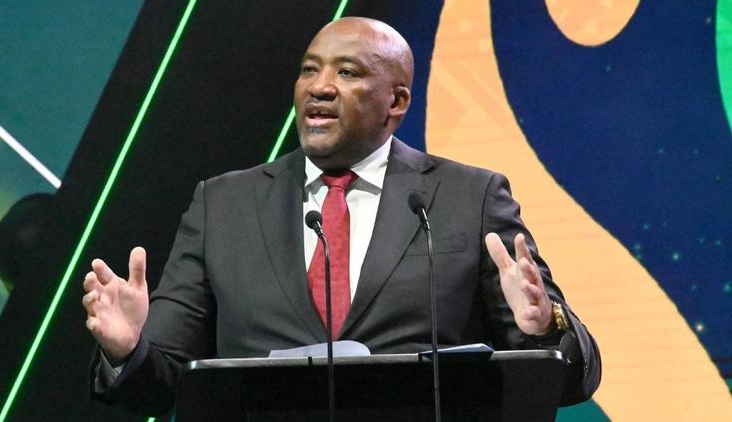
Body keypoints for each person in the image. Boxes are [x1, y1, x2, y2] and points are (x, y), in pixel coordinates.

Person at [83, 17, 600, 415]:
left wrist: (542, 328)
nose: (320, 87)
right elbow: (161, 386)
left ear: (396, 102)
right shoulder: (222, 205)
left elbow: (572, 380)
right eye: (310, 69)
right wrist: (126, 351)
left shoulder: (470, 197)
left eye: (347, 73)